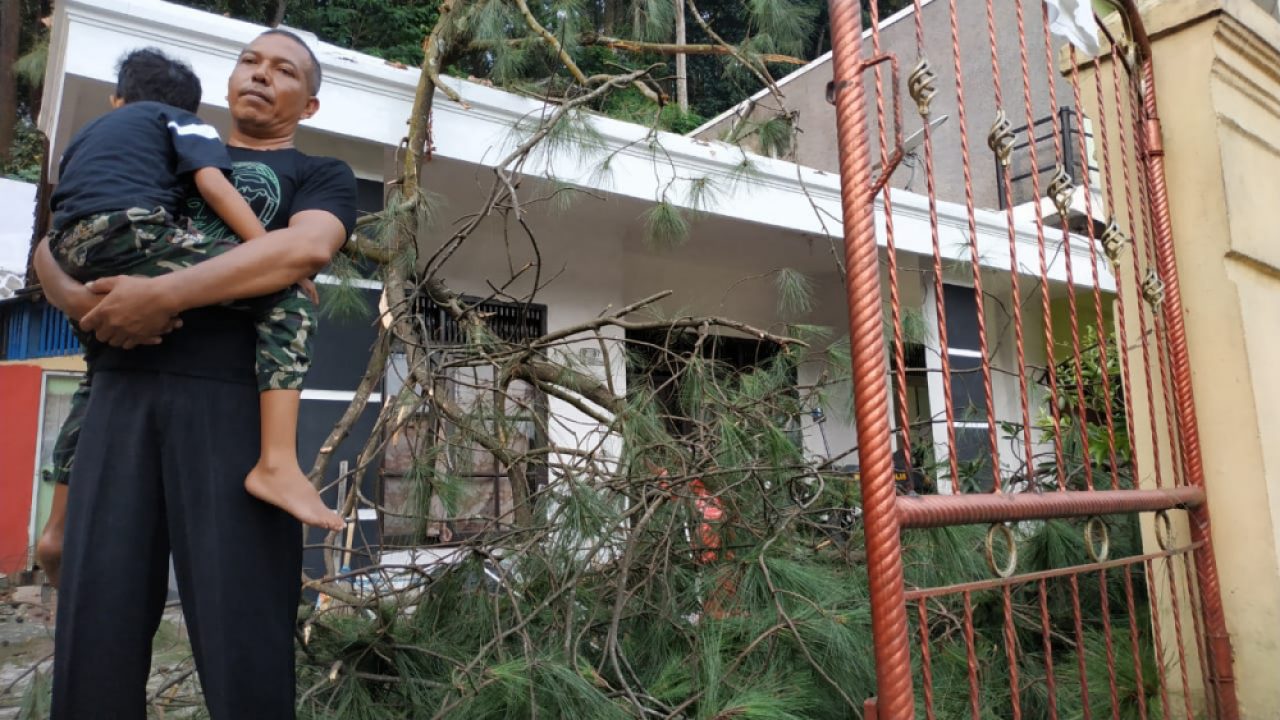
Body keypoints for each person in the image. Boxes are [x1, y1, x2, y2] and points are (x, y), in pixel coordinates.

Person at [34, 29, 356, 718]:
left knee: (245, 634)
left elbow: (302, 250)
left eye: (284, 70)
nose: (261, 75)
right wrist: (77, 301)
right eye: (250, 61)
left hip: (231, 409)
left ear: (311, 105)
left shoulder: (320, 173)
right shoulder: (168, 135)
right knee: (96, 629)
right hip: (119, 389)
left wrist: (162, 294)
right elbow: (61, 234)